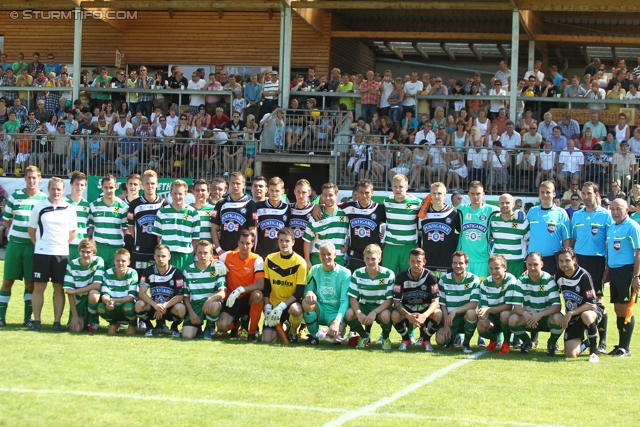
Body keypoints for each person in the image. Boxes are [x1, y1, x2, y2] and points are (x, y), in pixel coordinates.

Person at [28, 177, 78, 332]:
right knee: (39, 286)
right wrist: (41, 245)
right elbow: (31, 230)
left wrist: (61, 245)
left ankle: (57, 322)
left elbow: (72, 233)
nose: (56, 192)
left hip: (61, 253)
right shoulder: (39, 207)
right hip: (42, 252)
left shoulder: (69, 208)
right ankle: (37, 321)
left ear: (63, 190)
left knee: (59, 287)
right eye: (53, 189)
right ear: (48, 189)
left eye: (59, 189)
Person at [0, 166, 47, 327]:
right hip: (15, 245)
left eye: (35, 178)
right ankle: (1, 317)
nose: (32, 180)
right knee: (7, 281)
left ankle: (27, 318)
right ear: (25, 179)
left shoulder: (43, 199)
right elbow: (7, 220)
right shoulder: (15, 197)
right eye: (29, 177)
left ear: (40, 179)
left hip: (32, 247)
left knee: (30, 283)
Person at [509, 252, 563, 355]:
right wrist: (525, 314)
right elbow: (516, 306)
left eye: (535, 264)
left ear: (542, 264)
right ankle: (526, 342)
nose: (532, 267)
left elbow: (557, 306)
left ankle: (552, 343)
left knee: (559, 318)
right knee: (512, 319)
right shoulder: (521, 281)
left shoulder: (549, 280)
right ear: (526, 265)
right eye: (529, 265)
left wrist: (540, 314)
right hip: (529, 318)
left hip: (546, 318)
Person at [605, 198, 640, 357]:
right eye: (612, 209)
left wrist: (636, 276)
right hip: (614, 271)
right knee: (618, 308)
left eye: (619, 209)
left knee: (626, 308)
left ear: (627, 210)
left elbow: (639, 252)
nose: (615, 212)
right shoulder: (612, 227)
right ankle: (620, 344)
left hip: (627, 271)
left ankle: (626, 347)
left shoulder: (632, 226)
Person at [555, 247, 602, 362]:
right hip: (574, 316)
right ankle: (589, 340)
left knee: (586, 316)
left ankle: (594, 352)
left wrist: (570, 313)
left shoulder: (583, 275)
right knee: (570, 354)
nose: (564, 264)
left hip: (590, 310)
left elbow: (592, 304)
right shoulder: (559, 274)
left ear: (574, 260)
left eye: (567, 260)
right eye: (561, 261)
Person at [344, 243, 394, 350]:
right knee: (349, 314)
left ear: (379, 259)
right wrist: (359, 314)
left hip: (382, 307)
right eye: (367, 258)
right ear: (364, 258)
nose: (370, 262)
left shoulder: (388, 274)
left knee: (385, 316)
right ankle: (364, 336)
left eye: (373, 259)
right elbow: (353, 297)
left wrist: (374, 312)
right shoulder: (358, 273)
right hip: (365, 305)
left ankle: (385, 338)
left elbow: (390, 300)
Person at [217, 230, 265, 341]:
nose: (244, 246)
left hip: (248, 299)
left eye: (248, 243)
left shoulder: (257, 259)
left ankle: (252, 331)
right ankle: (236, 324)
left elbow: (260, 284)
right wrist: (216, 262)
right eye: (242, 243)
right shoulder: (228, 255)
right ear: (238, 243)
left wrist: (241, 290)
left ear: (253, 244)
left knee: (258, 295)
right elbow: (211, 259)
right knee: (222, 326)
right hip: (231, 299)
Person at [262, 228, 307, 344]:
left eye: (287, 241)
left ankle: (293, 331)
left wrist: (282, 306)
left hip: (290, 304)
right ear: (277, 241)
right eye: (281, 240)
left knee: (295, 310)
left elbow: (299, 292)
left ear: (293, 242)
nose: (284, 244)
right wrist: (267, 307)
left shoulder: (300, 262)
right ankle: (284, 326)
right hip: (274, 306)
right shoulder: (270, 259)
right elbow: (266, 287)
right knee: (266, 339)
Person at [391, 248, 441, 351]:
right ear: (408, 261)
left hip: (425, 309)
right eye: (413, 261)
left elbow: (435, 301)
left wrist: (424, 315)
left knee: (438, 314)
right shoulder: (401, 276)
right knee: (394, 315)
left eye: (418, 261)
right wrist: (408, 315)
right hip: (408, 309)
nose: (415, 264)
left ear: (424, 262)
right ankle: (406, 339)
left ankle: (426, 340)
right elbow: (396, 301)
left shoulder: (431, 276)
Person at [302, 241, 351, 345]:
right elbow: (307, 290)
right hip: (320, 309)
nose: (326, 257)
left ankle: (338, 332)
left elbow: (345, 301)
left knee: (337, 335)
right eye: (323, 254)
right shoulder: (314, 269)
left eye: (329, 254)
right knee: (306, 302)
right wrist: (309, 292)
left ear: (335, 255)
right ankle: (314, 336)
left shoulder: (345, 273)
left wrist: (337, 321)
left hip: (335, 312)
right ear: (319, 256)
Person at [135, 244, 186, 338]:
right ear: (154, 256)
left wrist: (164, 305)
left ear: (169, 256)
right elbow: (141, 294)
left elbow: (180, 296)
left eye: (163, 256)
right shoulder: (148, 271)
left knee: (181, 308)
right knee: (139, 304)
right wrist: (155, 305)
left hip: (169, 307)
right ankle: (149, 327)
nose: (160, 259)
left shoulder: (176, 272)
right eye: (158, 256)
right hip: (153, 306)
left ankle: (174, 328)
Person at [435, 251, 480, 353]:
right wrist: (446, 325)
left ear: (466, 264)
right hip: (450, 319)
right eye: (455, 263)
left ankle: (466, 343)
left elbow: (474, 304)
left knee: (472, 312)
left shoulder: (473, 279)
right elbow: (442, 304)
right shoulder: (444, 279)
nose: (457, 266)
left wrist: (455, 311)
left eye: (461, 263)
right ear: (451, 264)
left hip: (464, 317)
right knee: (440, 341)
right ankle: (452, 339)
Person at [181, 240, 227, 339]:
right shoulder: (188, 270)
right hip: (195, 307)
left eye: (205, 253)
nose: (202, 256)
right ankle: (198, 327)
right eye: (200, 252)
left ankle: (208, 328)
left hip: (211, 304)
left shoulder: (217, 268)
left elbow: (222, 292)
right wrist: (191, 313)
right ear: (195, 253)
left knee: (215, 305)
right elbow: (185, 296)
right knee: (186, 336)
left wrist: (210, 299)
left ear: (211, 253)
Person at [127, 170, 169, 276]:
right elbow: (131, 227)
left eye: (152, 183)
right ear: (142, 185)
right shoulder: (134, 204)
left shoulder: (164, 203)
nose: (150, 186)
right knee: (138, 280)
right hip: (139, 250)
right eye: (147, 183)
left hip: (157, 252)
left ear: (157, 185)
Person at [152, 180, 200, 270]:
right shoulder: (162, 212)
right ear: (170, 193)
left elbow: (195, 239)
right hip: (166, 256)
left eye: (180, 194)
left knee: (184, 283)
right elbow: (159, 236)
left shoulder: (193, 213)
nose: (177, 196)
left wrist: (189, 253)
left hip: (185, 256)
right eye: (175, 193)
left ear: (186, 194)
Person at [340, 179, 386, 271]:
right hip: (355, 254)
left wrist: (383, 234)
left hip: (373, 256)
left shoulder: (379, 208)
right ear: (357, 192)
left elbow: (389, 223)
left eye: (367, 192)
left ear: (372, 192)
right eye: (361, 192)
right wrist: (318, 206)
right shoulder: (349, 206)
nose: (364, 196)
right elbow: (331, 205)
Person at [527, 180, 571, 275]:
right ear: (539, 194)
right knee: (533, 289)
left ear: (554, 194)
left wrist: (566, 258)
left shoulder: (561, 213)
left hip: (552, 259)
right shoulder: (532, 211)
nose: (545, 195)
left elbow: (567, 238)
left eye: (548, 192)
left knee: (551, 288)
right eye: (542, 192)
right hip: (533, 259)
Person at [457, 181, 499, 279]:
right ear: (468, 194)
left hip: (483, 260)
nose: (475, 196)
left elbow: (507, 213)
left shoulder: (491, 210)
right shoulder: (460, 209)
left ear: (483, 194)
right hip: (463, 261)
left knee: (482, 291)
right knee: (465, 291)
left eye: (478, 193)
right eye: (473, 193)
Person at [418, 182, 461, 277]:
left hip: (446, 262)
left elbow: (460, 233)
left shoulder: (453, 213)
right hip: (427, 261)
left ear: (445, 195)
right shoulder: (423, 213)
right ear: (430, 195)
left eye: (440, 193)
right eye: (434, 193)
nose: (437, 196)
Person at [477, 254, 517, 354]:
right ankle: (494, 340)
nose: (493, 271)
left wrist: (488, 310)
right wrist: (484, 319)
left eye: (497, 268)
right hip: (492, 316)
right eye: (491, 268)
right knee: (481, 326)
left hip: (508, 317)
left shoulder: (510, 280)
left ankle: (506, 343)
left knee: (504, 314)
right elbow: (483, 307)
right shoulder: (485, 283)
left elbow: (508, 306)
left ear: (505, 267)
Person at [62, 238, 104, 333]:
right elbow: (69, 292)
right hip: (78, 302)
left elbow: (97, 285)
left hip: (91, 298)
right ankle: (79, 317)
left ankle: (92, 321)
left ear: (94, 252)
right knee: (76, 329)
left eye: (88, 252)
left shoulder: (98, 261)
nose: (85, 255)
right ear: (79, 251)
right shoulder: (71, 264)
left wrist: (75, 291)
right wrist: (75, 316)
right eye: (83, 251)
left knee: (94, 294)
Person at [303, 183, 349, 267]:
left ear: (336, 195)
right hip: (317, 262)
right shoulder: (316, 215)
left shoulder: (345, 214)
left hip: (338, 263)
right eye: (325, 195)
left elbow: (351, 235)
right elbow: (307, 240)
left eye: (330, 195)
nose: (327, 198)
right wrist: (307, 261)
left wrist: (347, 244)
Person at [381, 174, 420, 273]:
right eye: (395, 186)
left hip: (409, 247)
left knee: (409, 280)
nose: (398, 189)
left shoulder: (417, 203)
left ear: (407, 187)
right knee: (389, 279)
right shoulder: (387, 201)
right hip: (390, 247)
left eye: (401, 187)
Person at [211, 171, 257, 254]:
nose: (235, 186)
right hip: (223, 253)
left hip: (242, 253)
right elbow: (214, 229)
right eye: (233, 183)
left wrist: (237, 250)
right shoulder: (221, 204)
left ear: (244, 184)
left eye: (238, 183)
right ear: (229, 184)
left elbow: (252, 231)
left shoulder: (250, 204)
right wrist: (219, 250)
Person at [88, 174, 128, 268]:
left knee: (113, 279)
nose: (108, 190)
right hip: (99, 247)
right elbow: (93, 227)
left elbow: (125, 230)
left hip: (116, 248)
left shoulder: (123, 207)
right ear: (102, 187)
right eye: (105, 187)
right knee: (98, 278)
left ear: (116, 187)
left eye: (111, 187)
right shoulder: (94, 205)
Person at [98, 248, 139, 335]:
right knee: (101, 307)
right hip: (113, 305)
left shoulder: (133, 273)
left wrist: (115, 301)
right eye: (118, 260)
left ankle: (132, 325)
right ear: (114, 261)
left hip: (125, 305)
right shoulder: (107, 273)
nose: (120, 263)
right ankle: (113, 324)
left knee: (129, 307)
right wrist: (108, 302)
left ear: (128, 262)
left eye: (123, 261)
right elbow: (104, 294)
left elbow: (131, 297)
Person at [489, 193, 529, 278]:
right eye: (502, 203)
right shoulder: (493, 219)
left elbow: (531, 240)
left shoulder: (522, 221)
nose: (504, 205)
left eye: (507, 203)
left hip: (516, 263)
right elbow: (490, 237)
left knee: (517, 290)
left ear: (513, 204)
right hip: (498, 264)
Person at [255, 177, 290, 259]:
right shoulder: (258, 207)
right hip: (260, 255)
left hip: (279, 255)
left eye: (277, 191)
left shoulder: (287, 208)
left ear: (283, 191)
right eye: (272, 190)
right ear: (267, 190)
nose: (274, 193)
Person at [288, 179, 314, 258]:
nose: (301, 195)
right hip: (291, 254)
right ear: (294, 192)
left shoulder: (314, 209)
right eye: (298, 192)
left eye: (304, 192)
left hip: (308, 255)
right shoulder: (288, 208)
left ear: (309, 192)